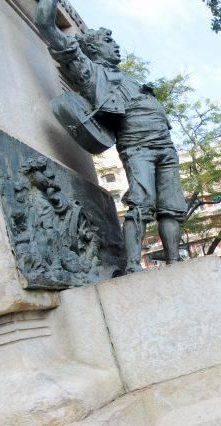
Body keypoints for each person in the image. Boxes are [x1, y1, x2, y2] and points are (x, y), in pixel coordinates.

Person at [35, 0, 187, 273]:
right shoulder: (88, 69)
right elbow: (45, 23)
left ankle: (175, 261)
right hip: (138, 146)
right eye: (108, 41)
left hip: (165, 145)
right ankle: (132, 265)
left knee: (172, 207)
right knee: (142, 203)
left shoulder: (126, 77)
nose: (116, 45)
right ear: (93, 48)